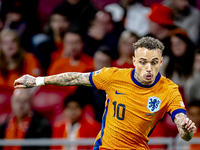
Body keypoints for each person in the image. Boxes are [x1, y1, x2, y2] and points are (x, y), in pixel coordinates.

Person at [14, 36, 196, 150]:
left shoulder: (169, 89)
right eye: (143, 62)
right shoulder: (112, 76)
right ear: (133, 60)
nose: (148, 68)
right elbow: (75, 78)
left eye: (154, 62)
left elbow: (181, 122)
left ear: (161, 61)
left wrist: (185, 130)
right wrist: (37, 81)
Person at [159, 28, 196, 101]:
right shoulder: (165, 63)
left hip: (194, 104)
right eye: (173, 44)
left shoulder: (196, 61)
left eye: (179, 43)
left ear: (186, 43)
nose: (176, 47)